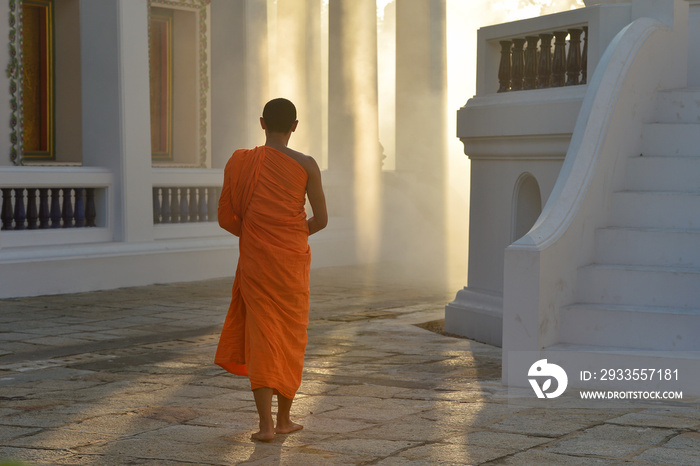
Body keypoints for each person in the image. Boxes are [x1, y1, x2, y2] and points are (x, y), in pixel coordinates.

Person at [215, 98, 328, 441]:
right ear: (295, 126)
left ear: (262, 123)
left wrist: (258, 234)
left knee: (262, 335)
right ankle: (284, 421)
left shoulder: (240, 162)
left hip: (257, 261)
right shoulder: (307, 165)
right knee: (291, 335)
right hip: (291, 263)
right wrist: (289, 234)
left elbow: (226, 217)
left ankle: (265, 426)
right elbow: (321, 220)